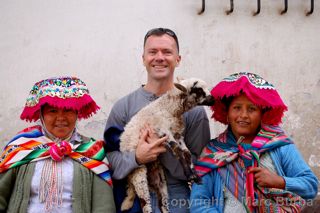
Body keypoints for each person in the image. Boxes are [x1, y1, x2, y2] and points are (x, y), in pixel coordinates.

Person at [104, 28, 211, 213]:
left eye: (167, 52)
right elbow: (110, 158)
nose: (159, 57)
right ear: (143, 58)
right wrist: (137, 158)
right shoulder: (123, 107)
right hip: (136, 200)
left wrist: (164, 150)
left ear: (178, 59)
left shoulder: (194, 112)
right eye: (152, 52)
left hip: (178, 202)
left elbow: (201, 163)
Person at [190, 72, 319, 212]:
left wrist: (280, 181)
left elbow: (311, 186)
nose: (243, 115)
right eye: (237, 108)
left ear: (262, 113)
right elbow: (199, 203)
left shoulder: (279, 146)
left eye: (252, 109)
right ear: (227, 113)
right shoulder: (213, 152)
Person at [0, 76, 116, 212]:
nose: (61, 118)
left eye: (68, 110)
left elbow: (103, 206)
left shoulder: (91, 150)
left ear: (77, 113)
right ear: (41, 115)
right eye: (52, 111)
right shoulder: (22, 147)